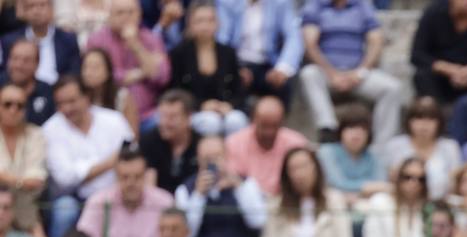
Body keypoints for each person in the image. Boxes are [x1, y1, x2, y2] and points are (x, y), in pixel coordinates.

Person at [42, 74, 134, 237]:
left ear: (87, 97)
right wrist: (111, 162)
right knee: (64, 209)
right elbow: (65, 179)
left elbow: (132, 157)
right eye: (60, 104)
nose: (66, 109)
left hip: (118, 193)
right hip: (76, 198)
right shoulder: (50, 129)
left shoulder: (114, 120)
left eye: (72, 101)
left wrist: (83, 171)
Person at [298, 0, 403, 147]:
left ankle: (382, 147)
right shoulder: (315, 5)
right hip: (327, 73)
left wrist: (360, 72)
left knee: (392, 88)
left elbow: (376, 41)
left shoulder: (363, 5)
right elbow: (310, 45)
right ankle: (328, 129)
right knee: (309, 74)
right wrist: (332, 74)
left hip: (357, 73)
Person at [76, 146, 175, 237]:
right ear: (116, 177)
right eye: (125, 177)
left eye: (137, 177)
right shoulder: (99, 202)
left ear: (145, 176)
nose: (131, 183)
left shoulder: (164, 202)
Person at [261, 146, 351, 237]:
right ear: (287, 175)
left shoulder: (335, 200)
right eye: (293, 169)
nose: (300, 174)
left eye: (304, 166)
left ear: (316, 168)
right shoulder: (276, 205)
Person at [174, 132, 268, 237]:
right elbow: (188, 235)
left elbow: (258, 222)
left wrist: (239, 188)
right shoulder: (185, 190)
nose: (213, 163)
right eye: (207, 159)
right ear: (198, 159)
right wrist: (198, 196)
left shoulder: (246, 184)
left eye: (217, 157)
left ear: (227, 156)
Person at [170, 1, 248, 137]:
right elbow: (176, 89)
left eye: (210, 20)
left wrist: (228, 105)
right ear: (190, 24)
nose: (205, 26)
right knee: (210, 122)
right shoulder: (179, 53)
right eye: (199, 21)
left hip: (225, 108)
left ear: (218, 23)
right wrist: (201, 105)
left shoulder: (228, 52)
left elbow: (238, 89)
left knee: (236, 120)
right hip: (194, 111)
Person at [85, 0, 170, 122]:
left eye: (131, 12)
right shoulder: (96, 40)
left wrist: (135, 44)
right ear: (109, 16)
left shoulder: (151, 38)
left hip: (148, 114)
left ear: (139, 14)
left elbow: (161, 77)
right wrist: (142, 72)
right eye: (120, 13)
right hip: (110, 114)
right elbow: (101, 77)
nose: (126, 17)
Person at [410, 0, 467, 105]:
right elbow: (417, 55)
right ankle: (435, 113)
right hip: (439, 73)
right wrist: (449, 69)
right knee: (422, 76)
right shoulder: (434, 12)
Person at [214, 0, 304, 104]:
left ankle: (278, 118)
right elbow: (222, 39)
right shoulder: (227, 3)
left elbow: (293, 36)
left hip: (268, 64)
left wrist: (282, 68)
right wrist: (234, 69)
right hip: (237, 62)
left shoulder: (280, 2)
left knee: (282, 85)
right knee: (230, 83)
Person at [380, 96, 461, 202]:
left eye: (430, 119)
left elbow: (456, 184)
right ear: (409, 121)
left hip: (440, 206)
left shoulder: (450, 147)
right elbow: (384, 180)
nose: (424, 124)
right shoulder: (394, 146)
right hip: (400, 203)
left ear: (439, 123)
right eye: (419, 118)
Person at [224, 94, 307, 196]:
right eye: (264, 126)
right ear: (253, 120)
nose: (269, 132)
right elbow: (233, 179)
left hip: (285, 203)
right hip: (247, 204)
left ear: (282, 122)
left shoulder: (296, 143)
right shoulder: (234, 143)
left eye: (274, 125)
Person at [360, 154, 426, 237]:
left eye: (420, 179)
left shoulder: (427, 209)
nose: (413, 183)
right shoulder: (380, 202)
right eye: (407, 177)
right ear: (398, 178)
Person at [317, 101, 386, 209]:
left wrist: (357, 195)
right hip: (333, 205)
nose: (356, 133)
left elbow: (382, 185)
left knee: (381, 201)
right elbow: (336, 183)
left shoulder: (374, 156)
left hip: (366, 205)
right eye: (351, 127)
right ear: (341, 131)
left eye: (362, 129)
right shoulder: (326, 152)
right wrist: (365, 188)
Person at [0, 0, 78, 86]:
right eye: (31, 6)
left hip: (58, 93)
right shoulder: (9, 41)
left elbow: (73, 73)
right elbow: (6, 73)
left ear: (52, 9)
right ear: (24, 12)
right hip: (22, 91)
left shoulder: (67, 39)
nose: (36, 11)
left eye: (42, 5)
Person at [141, 89, 201, 195]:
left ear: (188, 118)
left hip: (192, 201)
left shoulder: (200, 144)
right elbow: (149, 188)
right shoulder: (149, 141)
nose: (165, 123)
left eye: (172, 117)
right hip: (160, 204)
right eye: (162, 116)